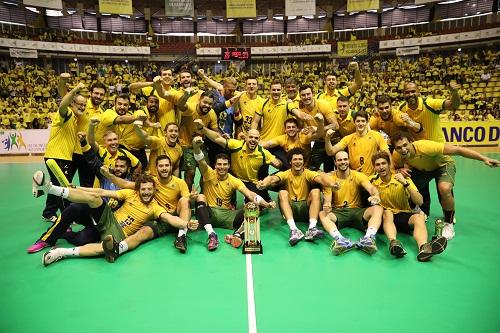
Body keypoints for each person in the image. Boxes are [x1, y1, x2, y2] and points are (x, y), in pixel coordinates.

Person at [31, 172, 197, 266]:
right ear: (139, 189)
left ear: (154, 190)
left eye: (149, 189)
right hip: (107, 220)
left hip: (118, 233)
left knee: (102, 246)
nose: (146, 192)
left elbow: (170, 219)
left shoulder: (155, 207)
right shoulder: (130, 193)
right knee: (95, 199)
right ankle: (50, 188)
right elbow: (101, 192)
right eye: (143, 189)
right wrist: (77, 188)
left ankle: (61, 252)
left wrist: (186, 223)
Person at [391, 131, 499, 240]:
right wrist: (400, 169)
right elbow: (395, 169)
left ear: (411, 142)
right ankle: (418, 209)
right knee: (404, 183)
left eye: (405, 145)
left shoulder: (426, 146)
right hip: (423, 171)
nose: (403, 150)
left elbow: (458, 150)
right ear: (395, 149)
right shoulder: (397, 155)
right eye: (399, 147)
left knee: (444, 188)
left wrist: (484, 158)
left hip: (443, 166)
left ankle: (449, 223)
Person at [191, 137, 275, 250]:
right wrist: (196, 147)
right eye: (219, 164)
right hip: (209, 213)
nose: (222, 167)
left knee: (253, 208)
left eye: (225, 164)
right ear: (215, 165)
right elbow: (200, 160)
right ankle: (212, 235)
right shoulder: (208, 173)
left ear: (229, 166)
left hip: (227, 215)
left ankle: (236, 235)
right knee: (201, 196)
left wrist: (266, 204)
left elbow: (250, 194)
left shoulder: (234, 180)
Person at [99, 155, 193, 254]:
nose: (164, 168)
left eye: (166, 165)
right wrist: (110, 176)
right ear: (156, 168)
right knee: (143, 232)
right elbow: (125, 184)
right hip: (159, 217)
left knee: (185, 200)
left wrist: (192, 199)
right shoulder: (150, 183)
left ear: (171, 167)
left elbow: (187, 203)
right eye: (161, 166)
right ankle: (117, 249)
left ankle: (181, 237)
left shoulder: (180, 182)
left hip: (176, 216)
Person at [370, 151, 448, 261]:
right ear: (374, 167)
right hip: (385, 218)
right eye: (377, 165)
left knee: (418, 217)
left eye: (383, 163)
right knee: (387, 212)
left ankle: (424, 247)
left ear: (389, 165)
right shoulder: (372, 181)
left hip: (403, 214)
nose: (381, 167)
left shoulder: (402, 178)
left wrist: (406, 184)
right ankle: (393, 242)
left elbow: (420, 201)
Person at [257, 148, 340, 246]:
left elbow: (321, 179)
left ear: (304, 162)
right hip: (291, 210)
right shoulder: (285, 174)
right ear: (290, 162)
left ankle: (312, 229)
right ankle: (294, 230)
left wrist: (331, 184)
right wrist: (264, 183)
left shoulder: (308, 173)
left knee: (316, 191)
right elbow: (271, 178)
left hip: (306, 210)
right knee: (282, 193)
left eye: (300, 159)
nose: (298, 162)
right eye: (295, 159)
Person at [197, 119, 282, 202]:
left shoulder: (263, 153)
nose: (253, 140)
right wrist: (202, 128)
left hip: (250, 181)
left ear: (259, 140)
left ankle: (263, 193)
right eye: (251, 137)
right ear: (245, 138)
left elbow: (278, 164)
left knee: (253, 205)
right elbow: (217, 138)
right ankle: (231, 201)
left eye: (256, 138)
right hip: (233, 176)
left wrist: (277, 165)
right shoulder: (236, 145)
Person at [319, 151, 383, 255]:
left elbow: (371, 188)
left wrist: (375, 195)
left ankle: (368, 238)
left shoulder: (358, 175)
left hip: (357, 211)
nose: (343, 162)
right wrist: (327, 205)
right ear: (335, 162)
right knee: (322, 214)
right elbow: (327, 200)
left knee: (378, 208)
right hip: (339, 213)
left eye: (345, 159)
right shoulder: (330, 179)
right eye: (339, 160)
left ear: (349, 160)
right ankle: (340, 240)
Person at [41, 83, 86, 222]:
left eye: (84, 105)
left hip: (61, 157)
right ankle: (66, 216)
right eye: (80, 104)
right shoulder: (67, 113)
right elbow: (62, 106)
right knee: (62, 186)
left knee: (56, 185)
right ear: (72, 103)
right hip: (57, 156)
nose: (82, 107)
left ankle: (48, 212)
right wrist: (75, 90)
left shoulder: (74, 118)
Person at [326, 110, 389, 176]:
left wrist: (391, 172)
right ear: (354, 122)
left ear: (367, 122)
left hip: (371, 177)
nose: (360, 124)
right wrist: (327, 138)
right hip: (354, 177)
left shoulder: (377, 136)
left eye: (363, 121)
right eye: (358, 121)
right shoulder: (348, 138)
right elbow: (330, 152)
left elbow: (387, 155)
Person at [296, 84, 339, 171]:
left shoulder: (323, 105)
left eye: (308, 94)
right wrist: (305, 130)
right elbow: (301, 127)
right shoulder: (301, 109)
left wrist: (318, 129)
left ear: (313, 94)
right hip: (319, 141)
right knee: (312, 168)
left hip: (333, 140)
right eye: (303, 95)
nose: (306, 97)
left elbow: (335, 125)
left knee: (337, 166)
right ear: (300, 96)